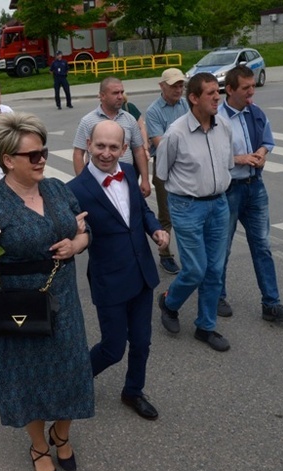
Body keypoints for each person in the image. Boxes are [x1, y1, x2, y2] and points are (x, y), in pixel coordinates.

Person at [0, 112, 94, 471]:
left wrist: (77, 243)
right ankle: (39, 446)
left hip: (64, 300)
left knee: (73, 372)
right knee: (29, 381)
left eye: (43, 151)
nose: (41, 160)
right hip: (18, 306)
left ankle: (62, 434)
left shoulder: (57, 189)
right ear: (8, 160)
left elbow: (86, 231)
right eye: (32, 155)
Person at [68, 120, 168, 421]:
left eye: (114, 147)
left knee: (141, 342)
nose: (106, 153)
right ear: (89, 145)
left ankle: (133, 391)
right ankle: (75, 380)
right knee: (113, 349)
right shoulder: (74, 190)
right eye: (100, 146)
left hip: (141, 273)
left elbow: (143, 212)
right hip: (109, 280)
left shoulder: (128, 174)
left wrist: (155, 231)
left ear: (124, 149)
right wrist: (75, 236)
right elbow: (74, 236)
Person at [155, 72, 233, 352]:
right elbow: (162, 172)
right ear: (194, 98)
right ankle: (169, 301)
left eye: (218, 92)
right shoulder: (175, 133)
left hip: (219, 203)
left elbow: (227, 165)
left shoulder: (223, 126)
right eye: (211, 93)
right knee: (196, 269)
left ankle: (206, 327)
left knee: (215, 269)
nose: (217, 97)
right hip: (186, 205)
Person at [218, 66, 283, 323]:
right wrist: (239, 158)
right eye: (246, 88)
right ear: (230, 90)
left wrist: (262, 153)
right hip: (229, 190)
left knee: (262, 245)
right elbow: (208, 156)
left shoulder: (256, 112)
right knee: (222, 248)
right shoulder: (217, 118)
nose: (252, 92)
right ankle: (217, 295)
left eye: (253, 86)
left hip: (255, 187)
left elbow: (267, 140)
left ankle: (271, 304)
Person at [72, 78, 150, 199]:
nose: (120, 97)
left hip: (126, 180)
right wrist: (84, 183)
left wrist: (145, 179)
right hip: (98, 183)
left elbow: (138, 150)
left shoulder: (129, 119)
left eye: (121, 92)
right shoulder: (87, 121)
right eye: (115, 93)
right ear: (102, 96)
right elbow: (78, 154)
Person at [146, 68, 190, 275]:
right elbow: (159, 144)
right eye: (174, 85)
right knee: (166, 214)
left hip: (188, 167)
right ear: (162, 86)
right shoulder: (154, 111)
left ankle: (191, 256)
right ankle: (165, 255)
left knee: (190, 213)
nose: (178, 89)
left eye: (181, 85)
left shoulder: (187, 105)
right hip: (164, 168)